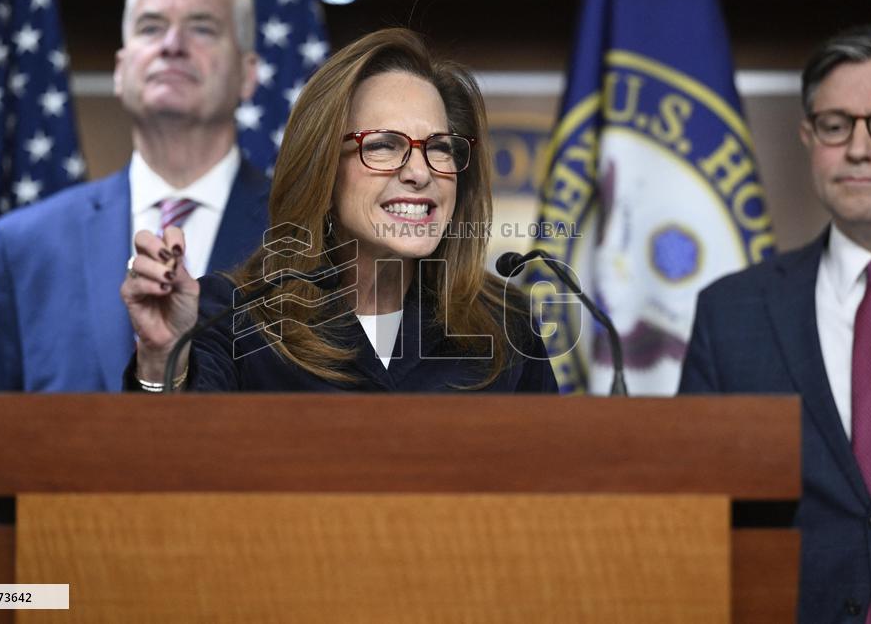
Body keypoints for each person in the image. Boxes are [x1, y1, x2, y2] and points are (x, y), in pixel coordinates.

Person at [121, 28, 558, 393]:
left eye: (439, 149)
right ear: (323, 171)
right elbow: (172, 471)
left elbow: (555, 485)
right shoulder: (234, 315)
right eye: (385, 145)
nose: (420, 173)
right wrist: (163, 358)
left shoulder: (507, 324)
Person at [680, 24, 871, 623]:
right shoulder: (732, 312)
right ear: (808, 136)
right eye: (836, 126)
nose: (859, 149)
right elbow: (696, 513)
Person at [0, 0, 269, 392]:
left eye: (202, 28)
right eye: (150, 27)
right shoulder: (22, 245)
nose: (172, 44)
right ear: (120, 70)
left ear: (247, 74)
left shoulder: (307, 233)